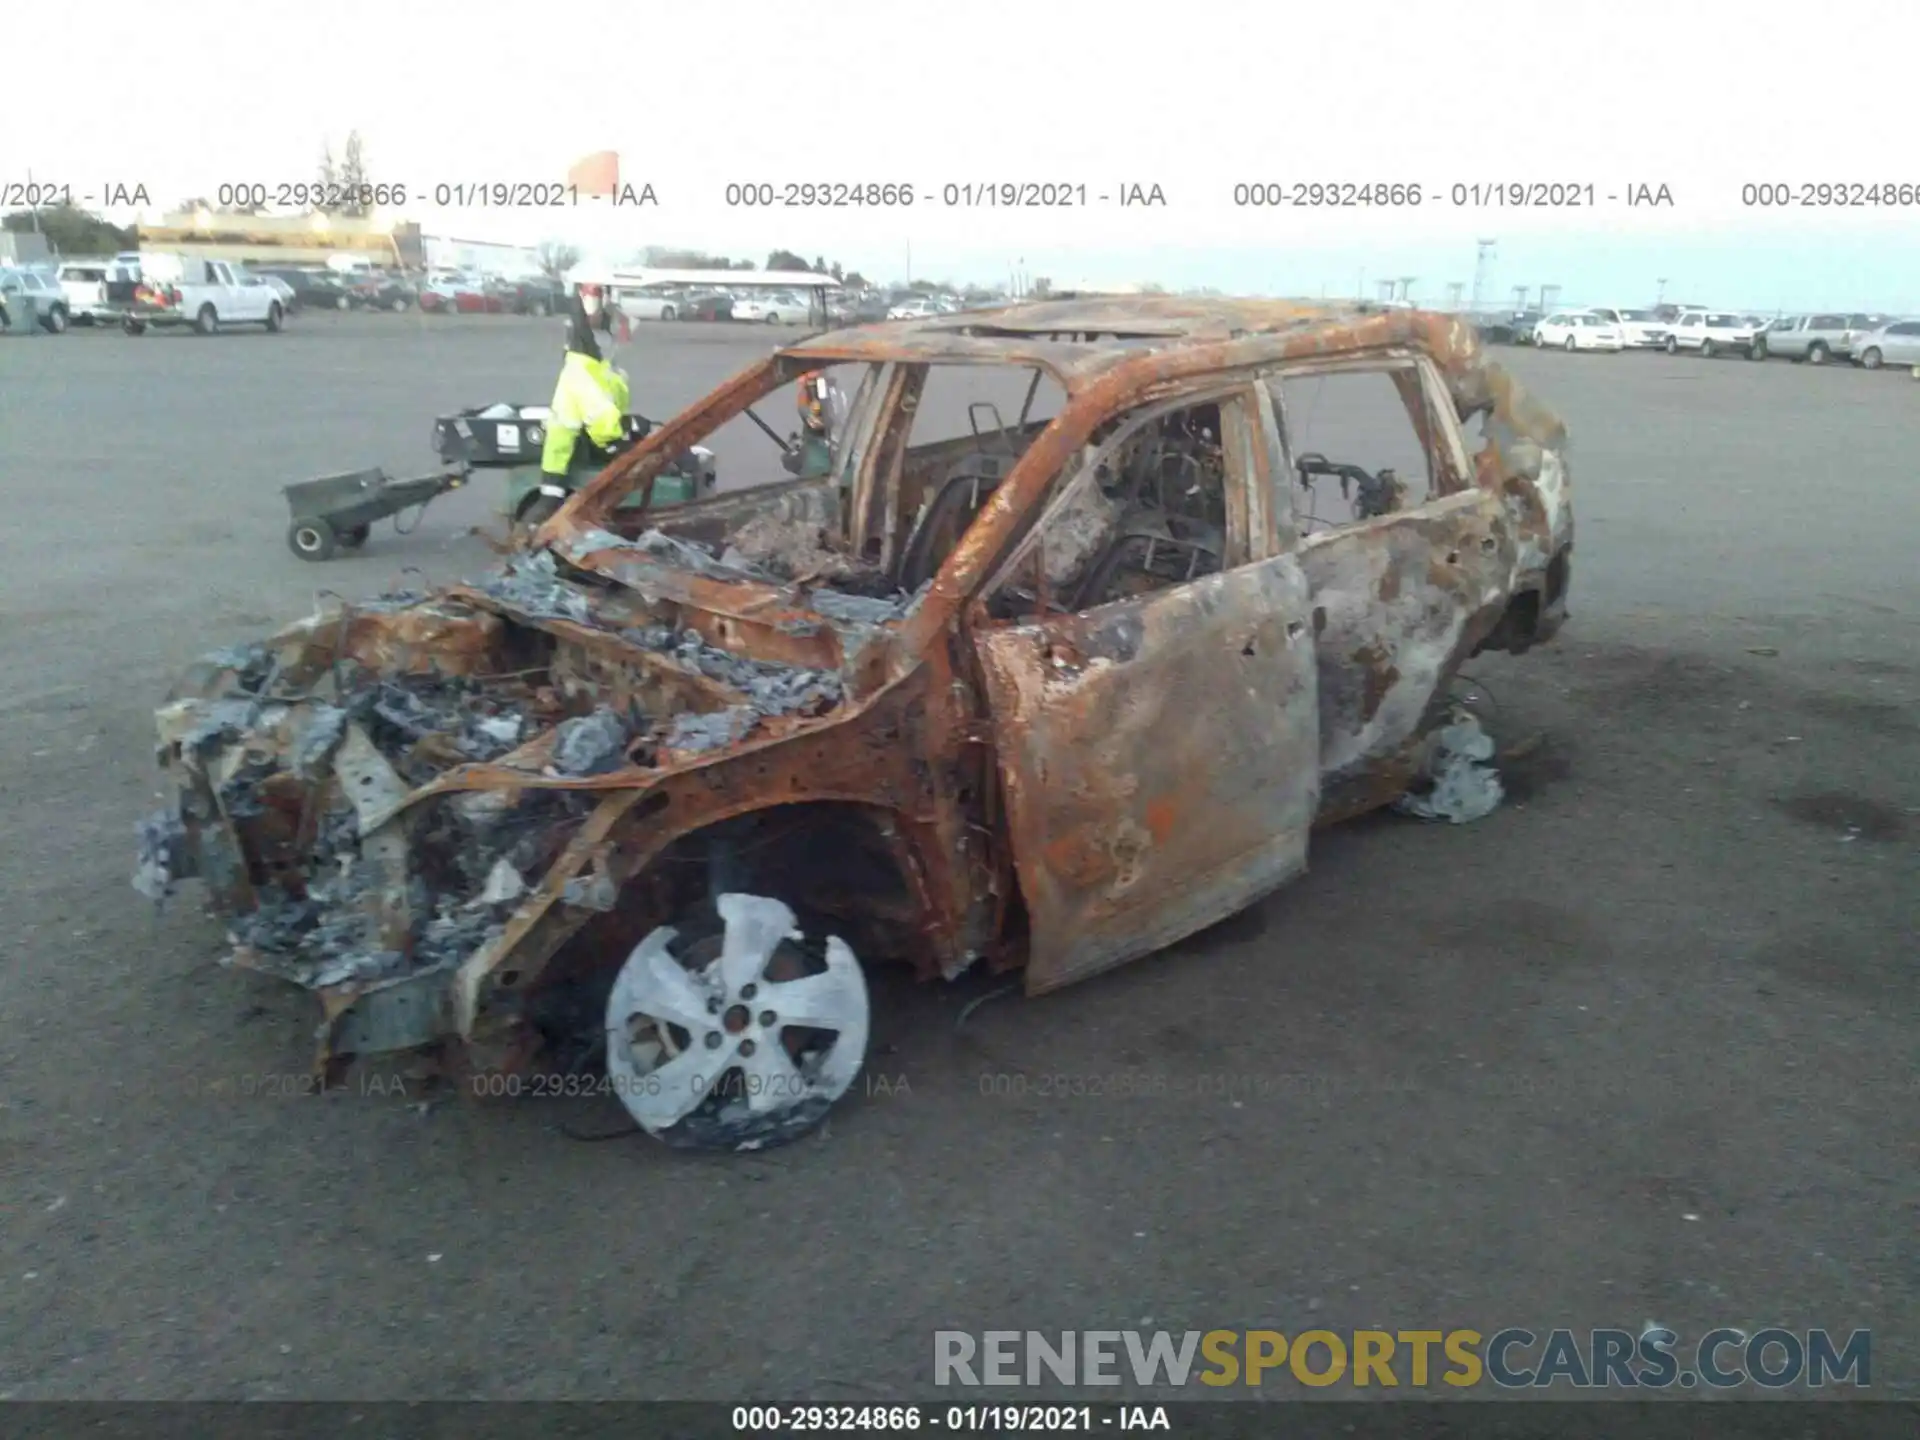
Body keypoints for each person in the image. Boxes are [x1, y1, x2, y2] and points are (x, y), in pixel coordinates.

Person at [536, 285, 632, 501]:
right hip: (565, 460)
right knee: (551, 514)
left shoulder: (599, 368)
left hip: (574, 449)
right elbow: (601, 417)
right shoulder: (582, 370)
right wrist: (618, 446)